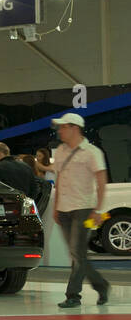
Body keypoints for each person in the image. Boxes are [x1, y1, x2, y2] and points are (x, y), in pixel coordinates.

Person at [50, 113, 110, 309]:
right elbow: (59, 181)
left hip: (85, 209)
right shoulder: (60, 151)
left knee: (77, 252)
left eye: (63, 127)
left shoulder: (92, 152)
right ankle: (101, 285)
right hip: (64, 209)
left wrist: (99, 210)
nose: (59, 131)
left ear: (74, 128)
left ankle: (73, 295)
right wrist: (56, 207)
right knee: (77, 254)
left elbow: (101, 183)